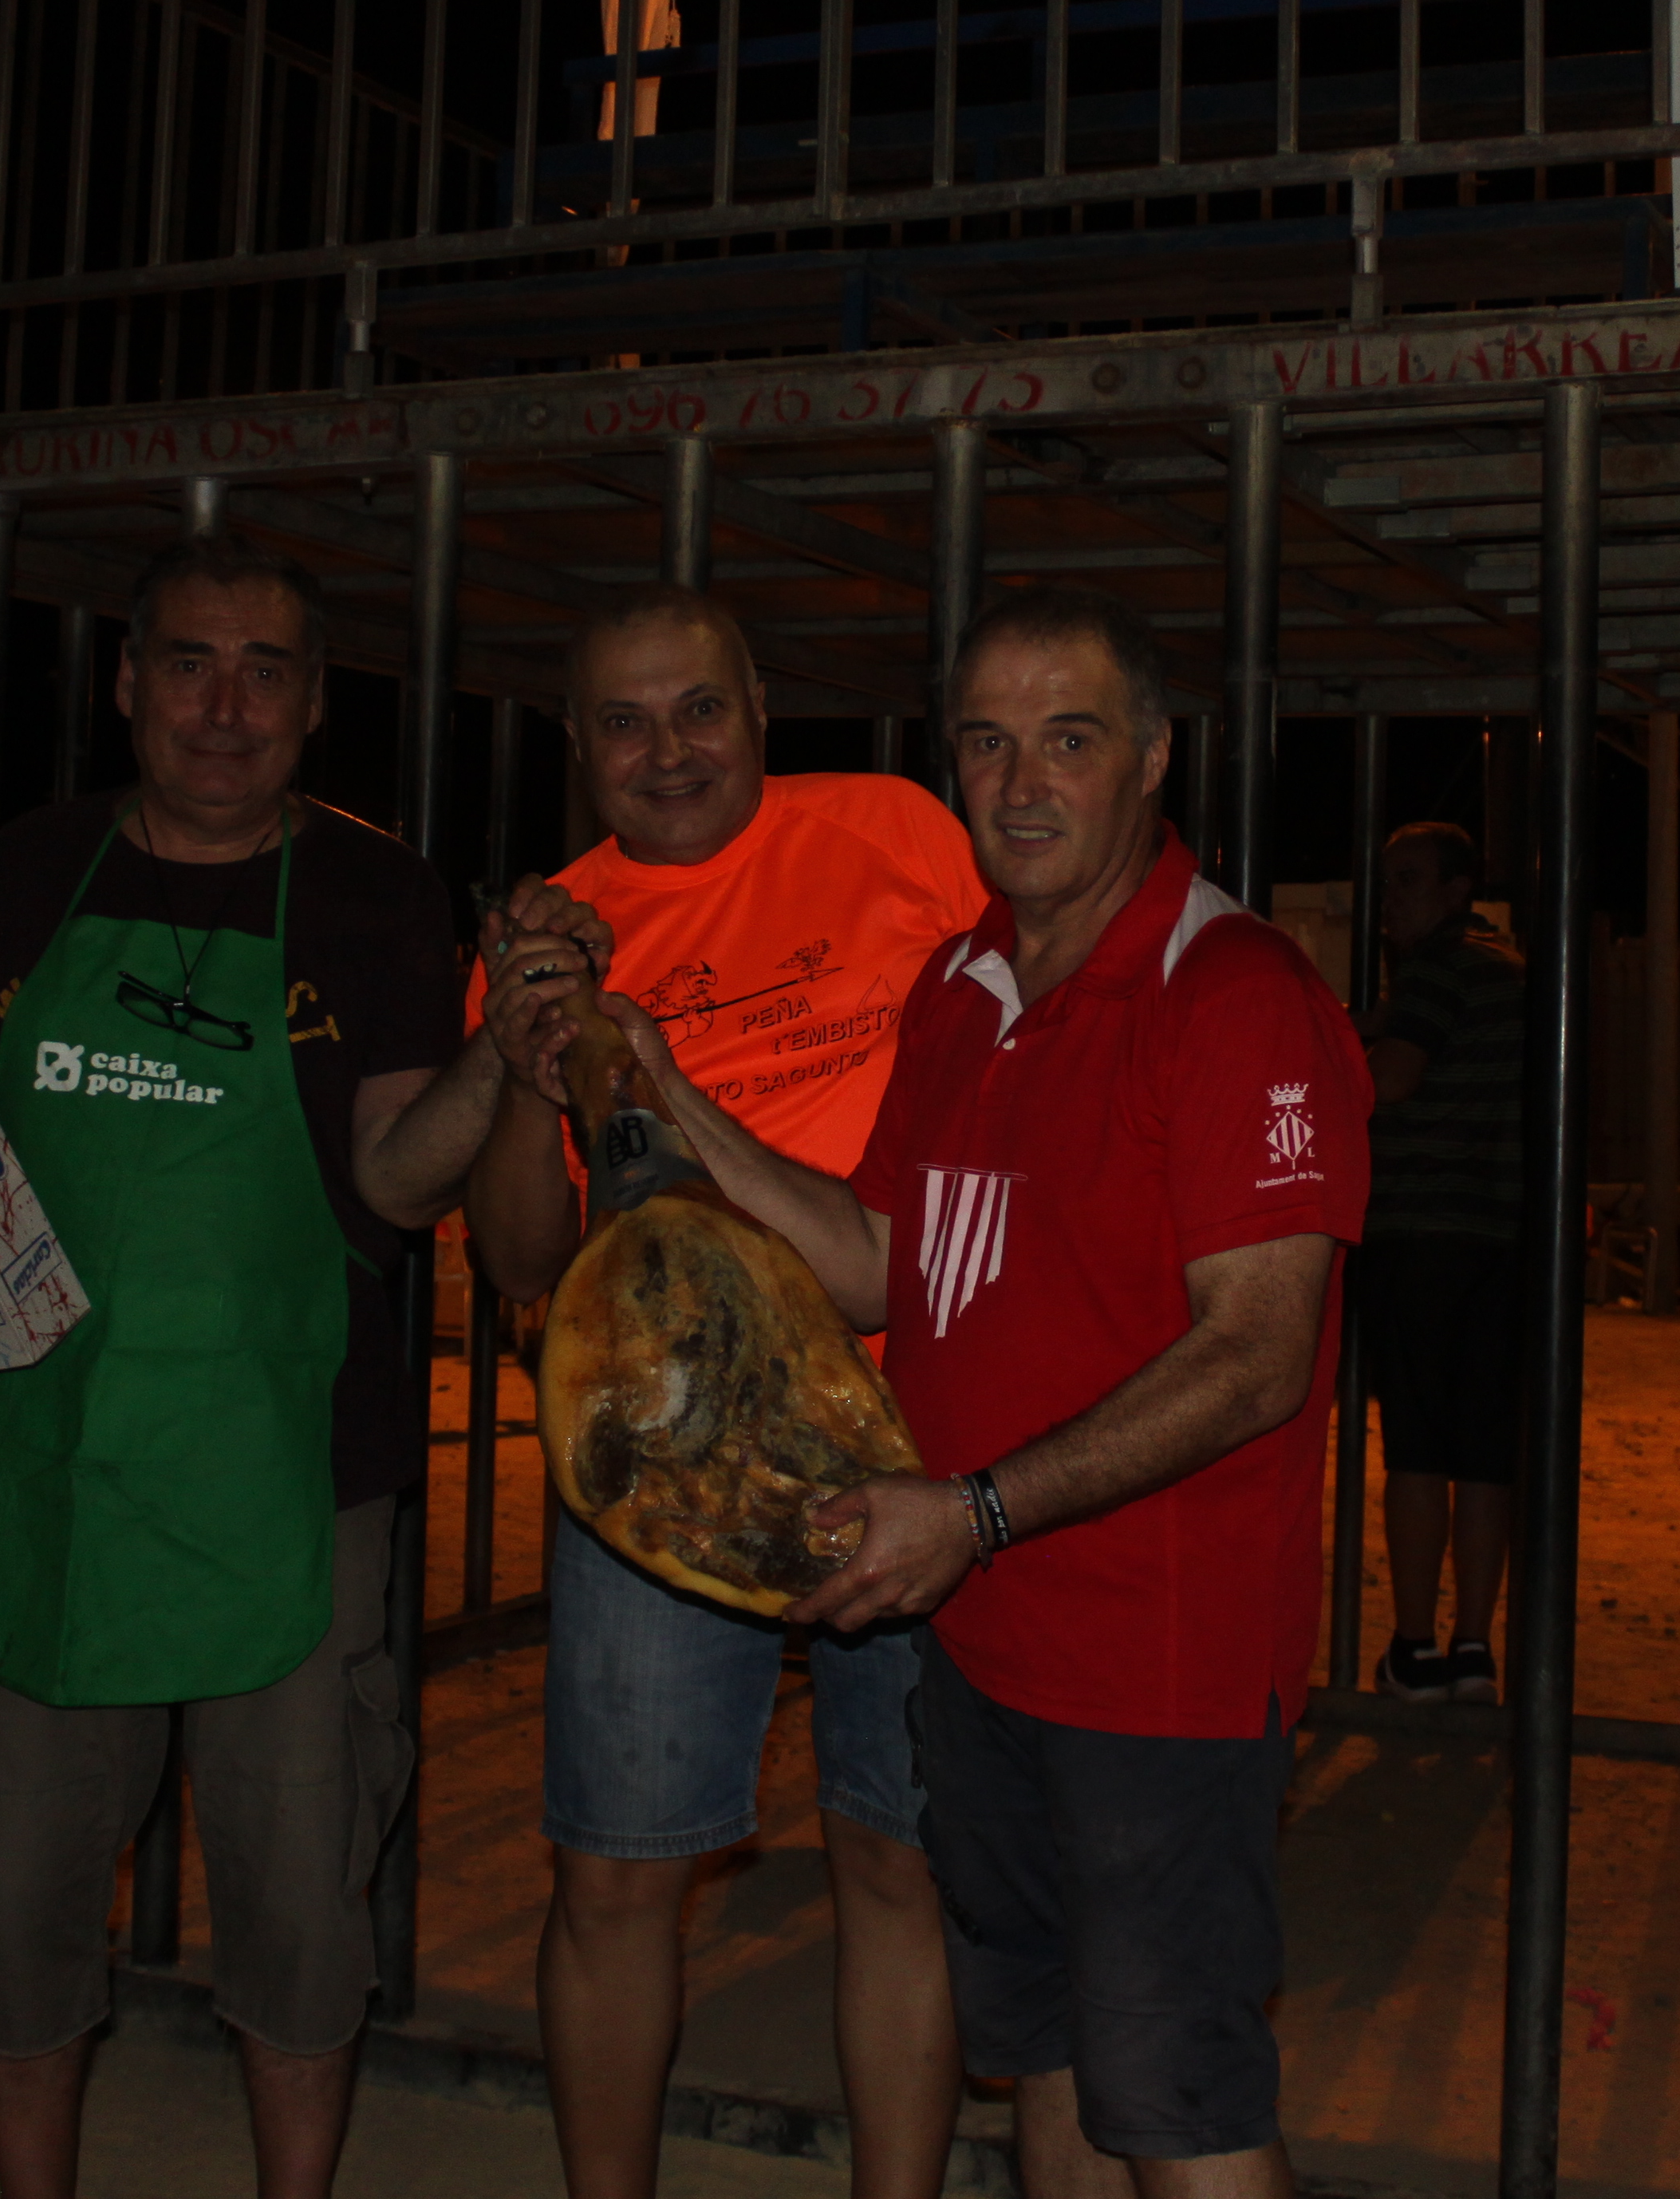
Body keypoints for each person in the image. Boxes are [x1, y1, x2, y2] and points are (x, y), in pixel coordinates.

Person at [0, 534, 599, 2199]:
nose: (225, 706)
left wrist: (500, 1059)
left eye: (264, 671)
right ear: (126, 683)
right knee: (12, 1897)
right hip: (41, 1471)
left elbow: (395, 1182)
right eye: (189, 663)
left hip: (289, 1482)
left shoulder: (376, 894)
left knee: (296, 1905)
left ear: (313, 703)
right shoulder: (29, 868)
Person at [526, 585, 1368, 2199]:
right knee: (1048, 2059)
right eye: (987, 743)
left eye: (1071, 739)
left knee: (1178, 2095)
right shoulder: (967, 987)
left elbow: (1257, 1356)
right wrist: (674, 1094)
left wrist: (974, 1511)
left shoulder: (1233, 991)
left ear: (1153, 758)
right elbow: (875, 1266)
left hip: (1155, 1668)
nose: (1023, 783)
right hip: (986, 1649)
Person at [462, 584, 988, 2199]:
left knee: (899, 1858)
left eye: (699, 708)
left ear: (761, 709)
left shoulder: (897, 835)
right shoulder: (552, 940)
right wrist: (526, 1074)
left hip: (907, 1429)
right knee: (617, 1876)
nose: (668, 750)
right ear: (577, 744)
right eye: (624, 722)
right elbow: (522, 1260)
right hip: (659, 1463)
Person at [1352, 823, 1526, 1704]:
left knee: (1417, 1447)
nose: (1390, 902)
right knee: (1487, 1454)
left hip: (1422, 1237)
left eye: (1409, 881)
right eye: (1387, 883)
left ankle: (1413, 1648)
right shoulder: (1516, 970)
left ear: (1459, 890)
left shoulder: (1437, 969)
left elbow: (1390, 1079)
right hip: (1508, 1242)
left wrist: (1328, 1062)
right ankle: (1475, 1649)